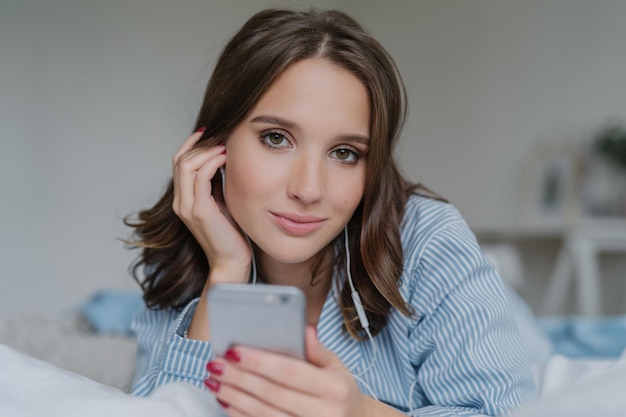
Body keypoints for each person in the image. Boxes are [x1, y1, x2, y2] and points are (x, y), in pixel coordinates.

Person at [124, 7, 536, 416]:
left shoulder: (429, 241)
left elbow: (504, 410)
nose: (307, 189)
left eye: (344, 153)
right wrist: (226, 271)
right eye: (276, 138)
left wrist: (358, 412)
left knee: (531, 340)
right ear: (217, 143)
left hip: (470, 307)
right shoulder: (181, 259)